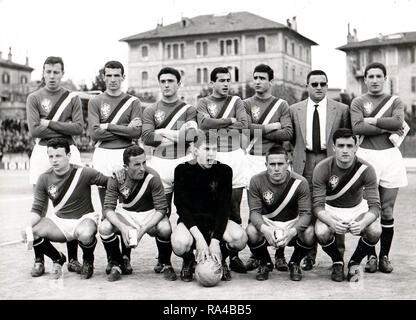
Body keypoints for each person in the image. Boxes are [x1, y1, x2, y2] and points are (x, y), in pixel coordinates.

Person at [26, 56, 84, 275]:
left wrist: (49, 123)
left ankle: (73, 259)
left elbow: (78, 128)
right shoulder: (34, 97)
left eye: (56, 72)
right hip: (42, 151)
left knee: (73, 202)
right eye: (48, 72)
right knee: (39, 205)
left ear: (62, 73)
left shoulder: (72, 98)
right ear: (43, 73)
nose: (52, 76)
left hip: (69, 150)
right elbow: (34, 131)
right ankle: (40, 259)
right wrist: (64, 128)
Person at [289, 69, 351, 271]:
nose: (318, 87)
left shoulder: (341, 109)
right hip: (305, 160)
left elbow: (345, 137)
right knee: (306, 206)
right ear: (307, 86)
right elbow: (291, 139)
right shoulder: (294, 109)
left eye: (322, 84)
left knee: (334, 204)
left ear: (327, 85)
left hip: (329, 159)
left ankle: (338, 257)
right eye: (314, 84)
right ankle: (308, 254)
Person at [350, 62, 408, 273]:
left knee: (387, 209)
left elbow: (398, 123)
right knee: (369, 210)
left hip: (390, 157)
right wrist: (385, 124)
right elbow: (357, 127)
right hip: (366, 156)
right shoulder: (358, 101)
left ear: (385, 78)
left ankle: (385, 256)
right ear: (365, 79)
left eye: (378, 76)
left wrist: (373, 120)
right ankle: (371, 256)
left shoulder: (395, 100)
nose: (374, 80)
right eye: (370, 76)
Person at [23, 138, 108, 280]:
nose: (54, 160)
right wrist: (26, 226)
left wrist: (119, 173)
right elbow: (37, 209)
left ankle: (88, 261)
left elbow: (109, 182)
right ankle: (58, 258)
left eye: (58, 156)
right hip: (60, 222)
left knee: (86, 234)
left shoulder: (84, 173)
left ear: (68, 156)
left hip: (84, 219)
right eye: (51, 156)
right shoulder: (44, 178)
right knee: (32, 230)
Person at [88, 60, 143, 273]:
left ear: (123, 77)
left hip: (125, 153)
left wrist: (108, 126)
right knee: (107, 208)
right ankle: (113, 258)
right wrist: (124, 128)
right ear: (104, 76)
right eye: (108, 75)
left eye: (116, 75)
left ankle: (126, 257)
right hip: (103, 153)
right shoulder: (95, 101)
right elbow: (94, 133)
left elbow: (136, 133)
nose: (112, 80)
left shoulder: (133, 102)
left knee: (126, 207)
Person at [171, 130, 248, 282]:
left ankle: (220, 258)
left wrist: (216, 241)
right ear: (195, 151)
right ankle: (189, 260)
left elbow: (224, 207)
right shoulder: (182, 170)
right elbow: (181, 207)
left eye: (214, 149)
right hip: (192, 222)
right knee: (179, 243)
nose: (211, 154)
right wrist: (199, 238)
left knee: (240, 238)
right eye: (206, 149)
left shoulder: (224, 171)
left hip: (215, 222)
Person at [141, 67, 197, 273]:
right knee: (161, 213)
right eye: (163, 81)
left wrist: (163, 132)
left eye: (171, 81)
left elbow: (191, 136)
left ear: (178, 84)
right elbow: (147, 137)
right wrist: (177, 136)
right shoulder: (150, 110)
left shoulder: (189, 109)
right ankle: (164, 260)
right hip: (159, 164)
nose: (166, 85)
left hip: (183, 162)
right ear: (159, 83)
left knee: (187, 211)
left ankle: (187, 257)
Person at [196, 67, 248, 274]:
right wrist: (229, 121)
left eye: (228, 80)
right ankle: (214, 255)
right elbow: (203, 123)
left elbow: (244, 124)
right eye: (221, 80)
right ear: (212, 83)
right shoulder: (203, 102)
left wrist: (216, 126)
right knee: (213, 204)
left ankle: (232, 255)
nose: (226, 84)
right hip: (214, 155)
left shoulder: (237, 101)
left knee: (234, 207)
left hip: (235, 155)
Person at [99, 145, 177, 282]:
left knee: (165, 228)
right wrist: (123, 228)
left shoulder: (153, 177)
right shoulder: (116, 177)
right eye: (137, 164)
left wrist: (143, 230)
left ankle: (165, 262)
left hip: (149, 213)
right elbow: (108, 209)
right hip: (127, 214)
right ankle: (116, 262)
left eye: (144, 163)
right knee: (104, 227)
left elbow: (161, 210)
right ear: (126, 166)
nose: (142, 168)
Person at [313, 128, 382, 282]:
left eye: (350, 146)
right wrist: (332, 222)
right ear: (333, 148)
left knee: (375, 229)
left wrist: (363, 222)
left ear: (356, 148)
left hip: (357, 209)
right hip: (331, 209)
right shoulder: (322, 168)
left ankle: (354, 262)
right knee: (321, 231)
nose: (345, 150)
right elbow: (317, 206)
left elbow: (375, 206)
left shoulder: (367, 169)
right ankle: (337, 261)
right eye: (341, 146)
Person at [243, 64, 293, 272]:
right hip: (252, 157)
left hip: (275, 159)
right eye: (255, 77)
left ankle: (280, 253)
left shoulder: (281, 105)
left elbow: (288, 133)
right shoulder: (245, 104)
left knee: (277, 204)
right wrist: (271, 127)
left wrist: (259, 131)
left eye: (262, 78)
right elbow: (243, 130)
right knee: (254, 206)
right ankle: (257, 254)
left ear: (270, 81)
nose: (257, 81)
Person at [246, 146, 314, 281]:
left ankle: (295, 263)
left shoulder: (300, 182)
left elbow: (306, 214)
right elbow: (254, 213)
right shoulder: (256, 180)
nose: (276, 168)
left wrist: (293, 232)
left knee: (310, 232)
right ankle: (265, 263)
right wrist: (265, 230)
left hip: (291, 222)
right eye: (272, 164)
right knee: (251, 231)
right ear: (266, 165)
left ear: (287, 164)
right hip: (268, 222)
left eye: (280, 164)